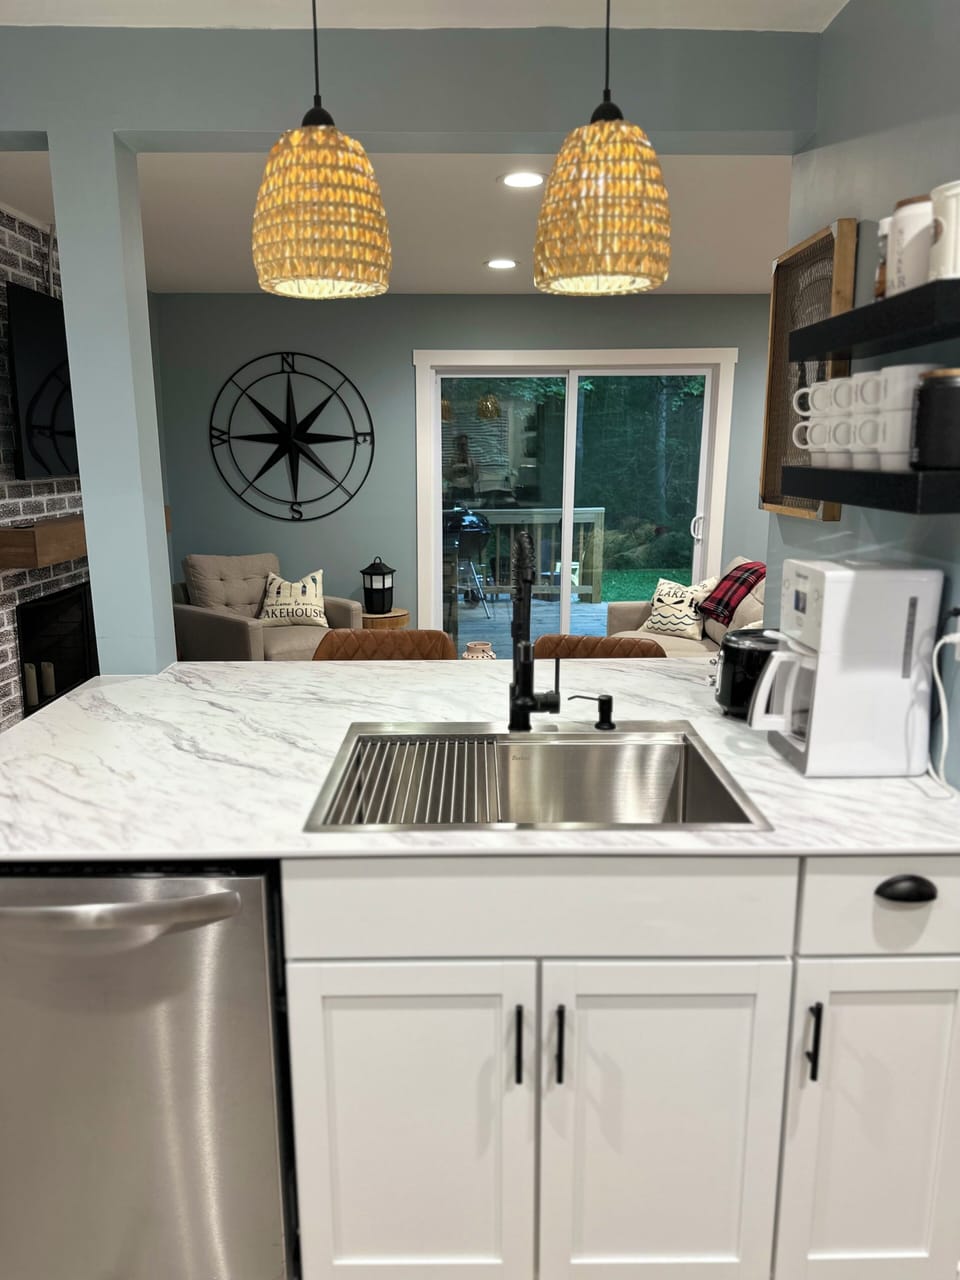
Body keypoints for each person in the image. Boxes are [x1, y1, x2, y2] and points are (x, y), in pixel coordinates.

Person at [446, 433, 478, 499]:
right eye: (460, 445)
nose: (462, 447)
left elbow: (475, 477)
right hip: (454, 488)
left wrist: (470, 469)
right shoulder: (450, 459)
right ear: (455, 446)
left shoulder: (472, 459)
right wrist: (454, 469)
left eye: (464, 445)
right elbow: (446, 477)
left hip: (468, 488)